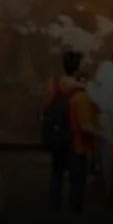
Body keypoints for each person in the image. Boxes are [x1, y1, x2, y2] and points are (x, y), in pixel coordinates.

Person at [42, 48, 100, 213]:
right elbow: (85, 125)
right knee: (77, 180)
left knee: (56, 175)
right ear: (78, 68)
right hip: (76, 143)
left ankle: (53, 209)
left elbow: (48, 107)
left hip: (58, 139)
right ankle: (75, 212)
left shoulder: (52, 85)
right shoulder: (81, 95)